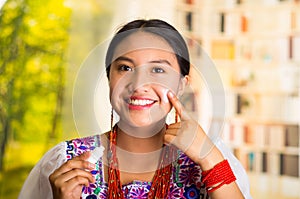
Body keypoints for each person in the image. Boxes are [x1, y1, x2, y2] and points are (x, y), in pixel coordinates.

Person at [19, 19, 251, 199]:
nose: (139, 85)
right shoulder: (63, 162)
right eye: (125, 68)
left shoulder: (212, 155)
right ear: (109, 78)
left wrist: (210, 160)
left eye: (158, 70)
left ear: (182, 84)